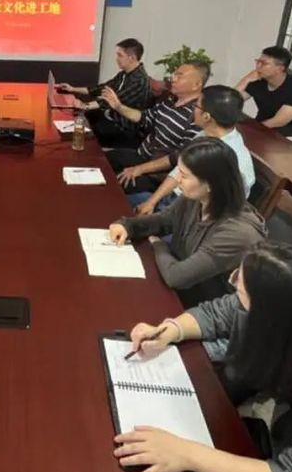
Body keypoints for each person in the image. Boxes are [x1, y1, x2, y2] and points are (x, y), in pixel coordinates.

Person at [115, 243, 292, 472]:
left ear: (270, 322)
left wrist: (188, 453)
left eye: (240, 291)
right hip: (283, 442)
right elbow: (219, 313)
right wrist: (171, 330)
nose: (234, 294)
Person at [108, 137, 266, 305]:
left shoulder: (237, 233)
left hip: (203, 305)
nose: (177, 179)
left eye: (183, 175)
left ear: (210, 184)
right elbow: (163, 221)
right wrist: (128, 225)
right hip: (176, 283)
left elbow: (176, 277)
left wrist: (158, 245)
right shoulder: (197, 197)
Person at [126, 85, 256, 215]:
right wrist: (151, 202)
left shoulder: (232, 161)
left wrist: (157, 217)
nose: (193, 109)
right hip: (173, 199)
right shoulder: (205, 134)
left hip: (188, 214)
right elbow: (178, 171)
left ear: (206, 116)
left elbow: (213, 213)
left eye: (196, 106)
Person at [103, 61, 208, 194]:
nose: (173, 78)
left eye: (179, 76)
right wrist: (118, 106)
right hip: (141, 155)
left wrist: (139, 169)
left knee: (112, 185)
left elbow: (178, 158)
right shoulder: (170, 100)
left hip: (157, 174)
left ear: (196, 85)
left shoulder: (197, 115)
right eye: (174, 74)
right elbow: (145, 118)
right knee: (100, 161)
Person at [57, 38, 152, 148]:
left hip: (124, 127)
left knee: (88, 129)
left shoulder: (139, 80)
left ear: (132, 58)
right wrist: (73, 89)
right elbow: (101, 88)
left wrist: (85, 105)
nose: (116, 59)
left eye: (120, 55)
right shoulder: (124, 74)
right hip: (111, 117)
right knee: (84, 116)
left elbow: (112, 102)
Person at [236, 46, 292, 144]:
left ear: (280, 68)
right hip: (263, 125)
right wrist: (246, 80)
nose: (258, 66)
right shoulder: (258, 80)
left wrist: (251, 131)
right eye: (258, 62)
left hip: (291, 132)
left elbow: (279, 121)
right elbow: (230, 100)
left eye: (264, 63)